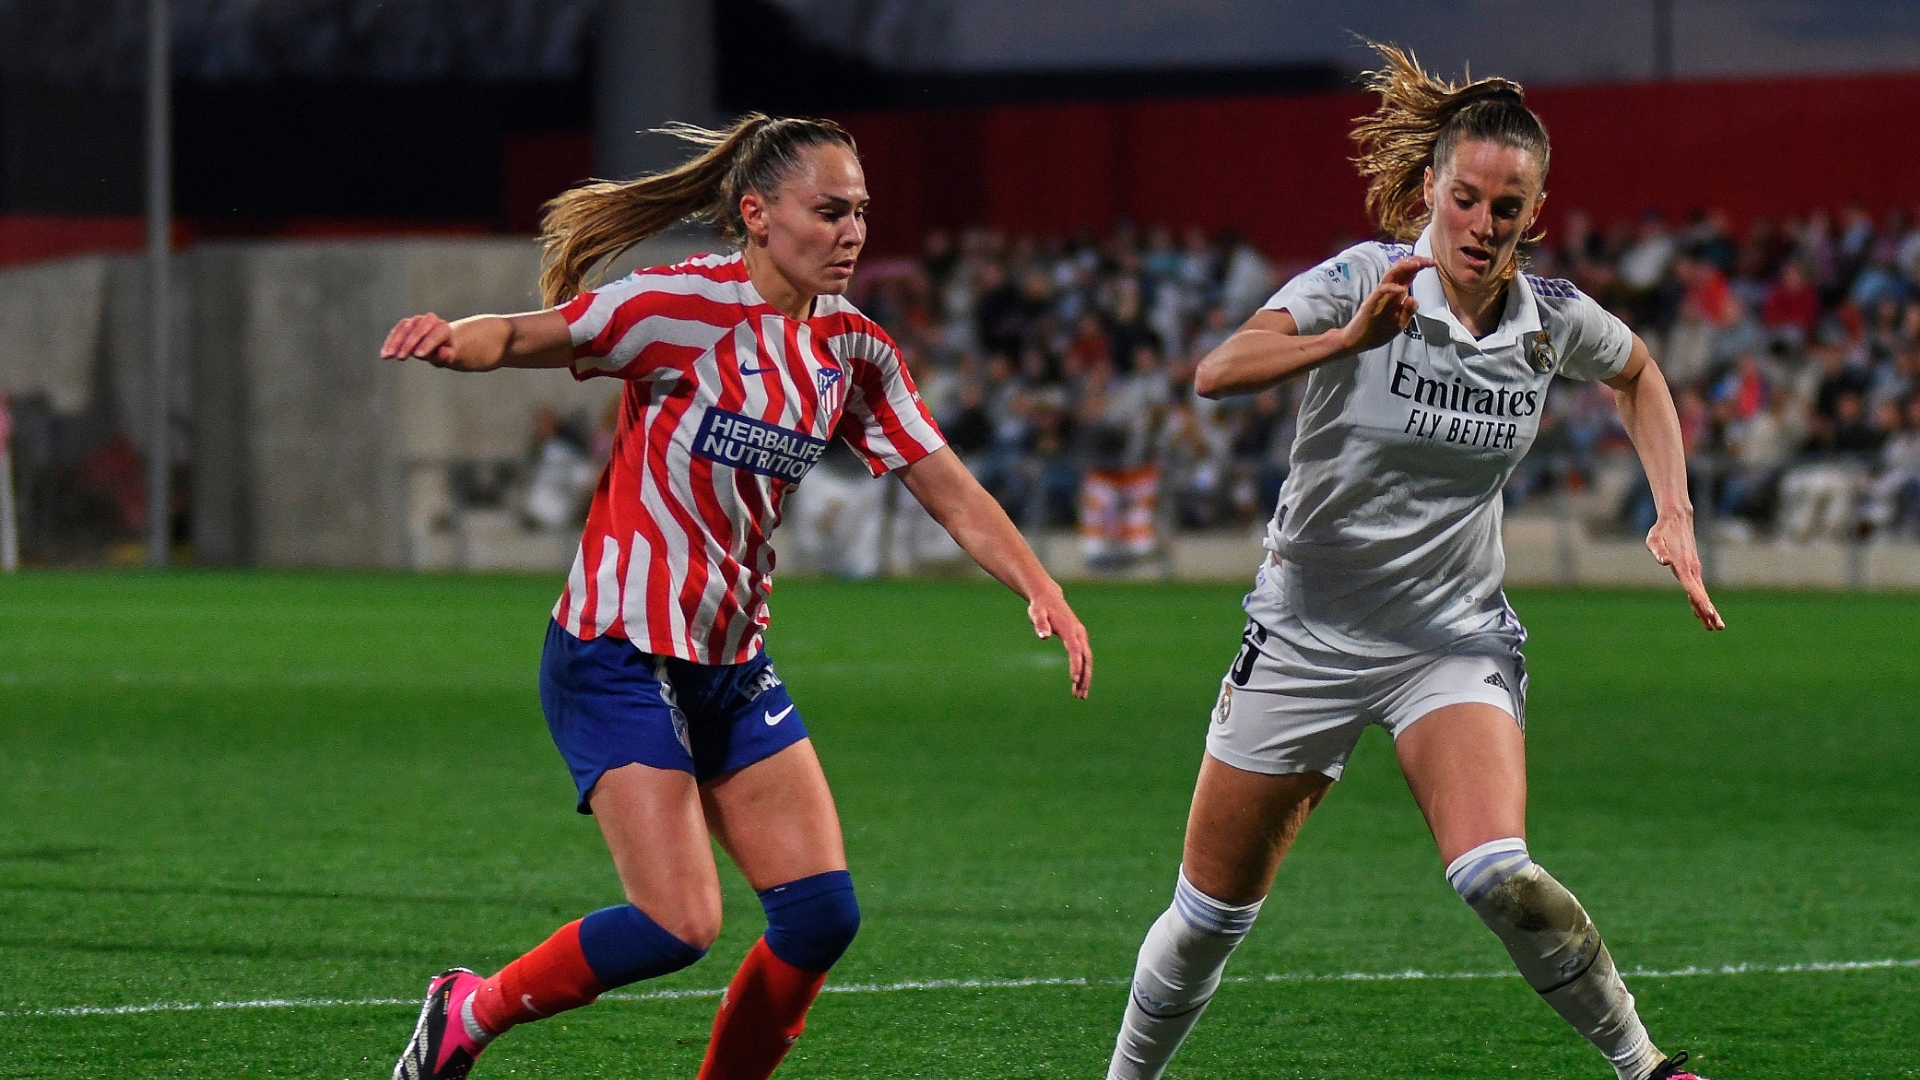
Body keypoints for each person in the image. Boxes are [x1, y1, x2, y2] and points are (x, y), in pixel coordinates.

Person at [379, 113, 1092, 1080]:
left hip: (728, 660)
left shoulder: (856, 351)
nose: (852, 234)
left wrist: (1040, 586)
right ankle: (468, 1010)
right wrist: (451, 340)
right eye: (829, 212)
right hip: (616, 651)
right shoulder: (677, 307)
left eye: (862, 214)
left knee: (820, 917)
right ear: (756, 215)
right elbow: (526, 334)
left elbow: (947, 483)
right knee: (680, 922)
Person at [1104, 44, 1726, 1080]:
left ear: (1537, 208)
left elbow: (1640, 372)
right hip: (1306, 634)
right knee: (1211, 915)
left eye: (1508, 206)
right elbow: (1219, 370)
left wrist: (1677, 512)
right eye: (1468, 198)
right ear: (1431, 190)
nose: (1484, 225)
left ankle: (1647, 1066)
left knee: (1497, 873)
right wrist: (1345, 339)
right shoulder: (1365, 278)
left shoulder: (1552, 319)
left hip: (1450, 639)